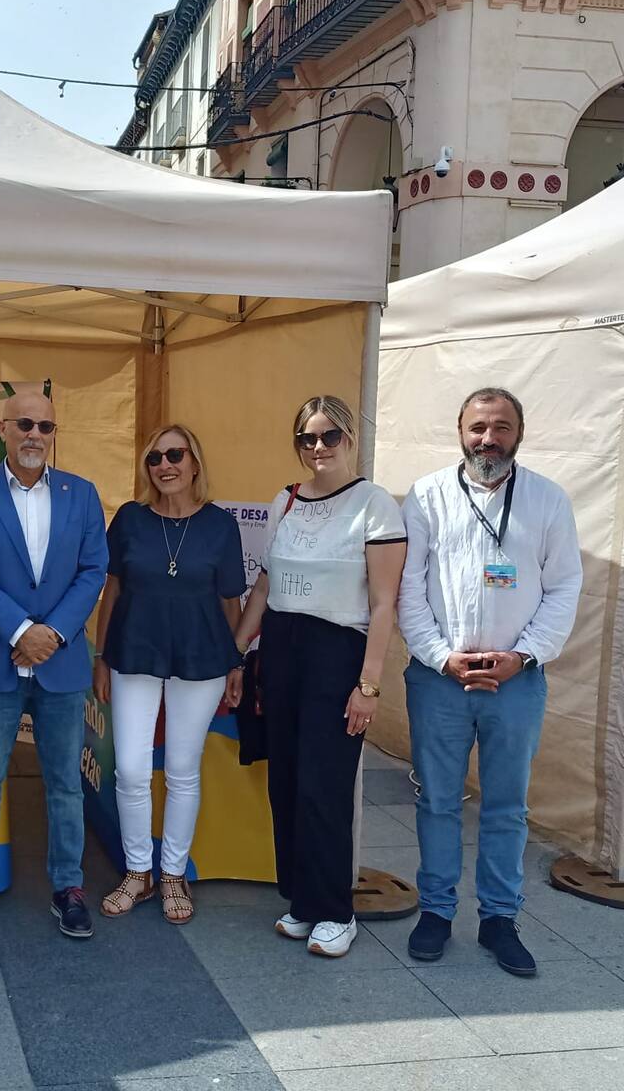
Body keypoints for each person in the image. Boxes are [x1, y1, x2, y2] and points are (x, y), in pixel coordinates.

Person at [398, 388, 581, 977]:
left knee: (506, 808)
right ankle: (436, 912)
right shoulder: (426, 497)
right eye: (477, 427)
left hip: (517, 682)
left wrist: (522, 657)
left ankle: (500, 920)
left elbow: (563, 589)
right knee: (438, 802)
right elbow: (408, 588)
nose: (488, 439)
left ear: (519, 434)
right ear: (459, 431)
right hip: (440, 680)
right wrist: (440, 657)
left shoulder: (548, 501)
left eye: (501, 427)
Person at [234, 395, 406, 958]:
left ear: (350, 439)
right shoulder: (285, 500)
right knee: (284, 780)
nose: (317, 448)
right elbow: (264, 585)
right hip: (282, 648)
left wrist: (369, 684)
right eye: (306, 438)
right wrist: (237, 652)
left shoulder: (375, 505)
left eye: (329, 436)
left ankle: (336, 908)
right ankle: (304, 901)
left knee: (324, 784)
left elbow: (384, 604)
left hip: (338, 653)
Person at [0, 391, 108, 939]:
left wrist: (53, 634)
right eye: (25, 424)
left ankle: (68, 886)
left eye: (45, 425)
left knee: (64, 784)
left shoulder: (81, 495)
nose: (35, 434)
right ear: (4, 429)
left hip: (59, 662)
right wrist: (20, 631)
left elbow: (93, 571)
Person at [93, 425, 245, 924]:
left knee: (183, 769)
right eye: (155, 458)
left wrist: (236, 663)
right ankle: (139, 871)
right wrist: (100, 657)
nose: (165, 465)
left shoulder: (220, 525)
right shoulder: (130, 520)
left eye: (175, 454)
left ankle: (174, 872)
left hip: (202, 659)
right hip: (134, 652)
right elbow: (110, 590)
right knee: (132, 770)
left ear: (195, 462)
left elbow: (231, 600)